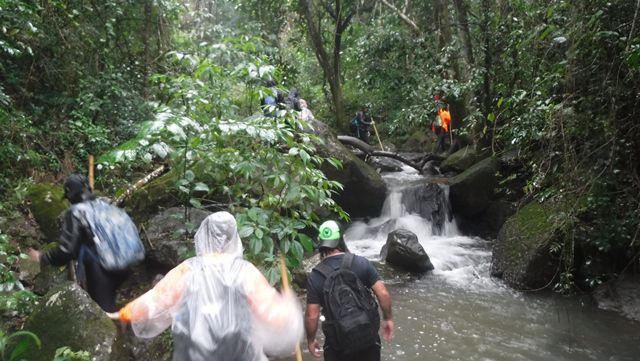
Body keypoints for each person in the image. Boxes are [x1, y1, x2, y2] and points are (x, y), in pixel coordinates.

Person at [108, 211, 303, 361]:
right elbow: (273, 314)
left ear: (204, 234)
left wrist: (123, 312)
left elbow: (156, 301)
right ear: (233, 236)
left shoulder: (187, 270)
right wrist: (288, 305)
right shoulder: (246, 271)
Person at [28, 174, 131, 312]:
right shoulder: (104, 203)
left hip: (101, 268)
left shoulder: (75, 213)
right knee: (116, 305)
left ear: (71, 196)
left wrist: (43, 257)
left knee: (103, 313)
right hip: (126, 262)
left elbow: (67, 251)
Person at [305, 220, 393, 361]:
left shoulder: (315, 276)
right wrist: (388, 319)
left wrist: (310, 340)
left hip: (337, 345)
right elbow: (383, 294)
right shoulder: (361, 263)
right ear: (341, 239)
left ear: (321, 243)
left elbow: (312, 315)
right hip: (368, 339)